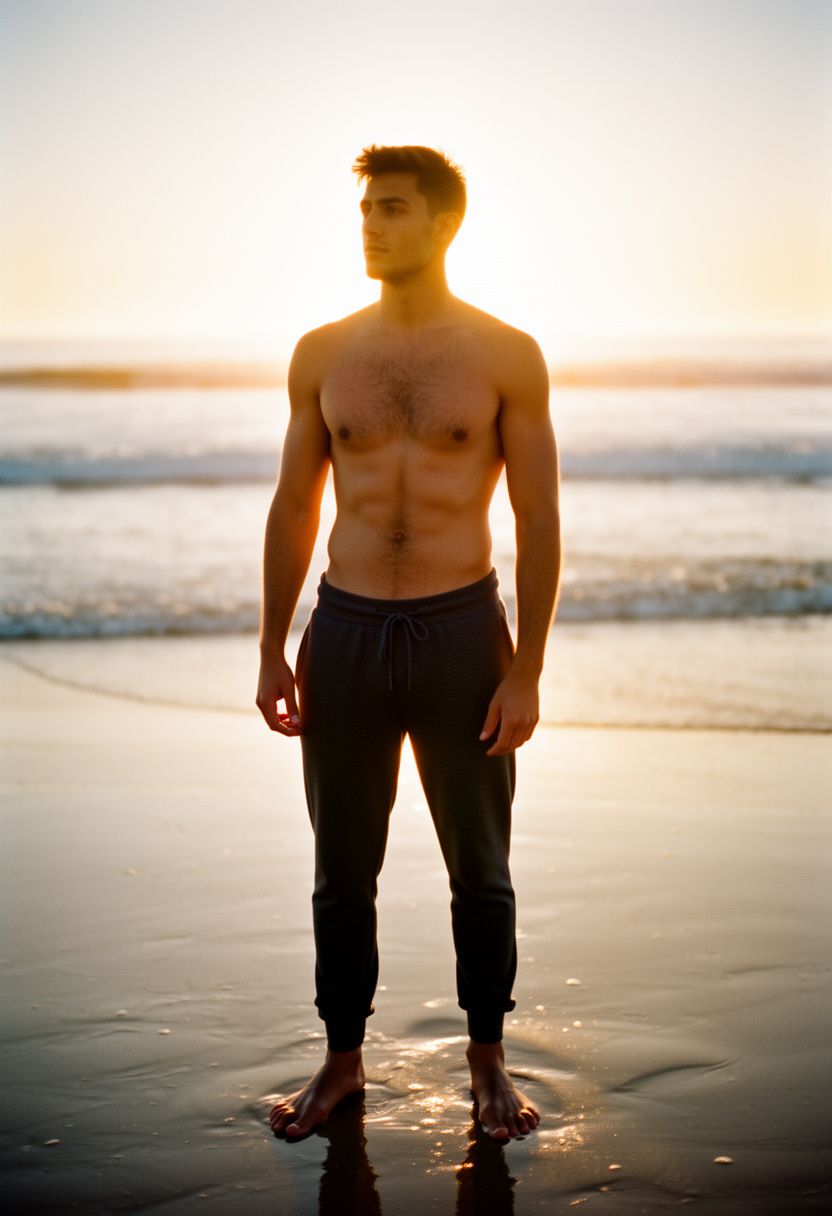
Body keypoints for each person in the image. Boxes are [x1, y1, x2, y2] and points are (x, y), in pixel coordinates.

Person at [257, 144, 561, 1142]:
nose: (371, 225)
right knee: (341, 868)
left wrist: (526, 668)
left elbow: (539, 519)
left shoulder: (505, 353)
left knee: (480, 867)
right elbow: (293, 509)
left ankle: (489, 1062)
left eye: (391, 209)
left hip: (460, 631)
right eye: (365, 210)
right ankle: (341, 1061)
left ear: (443, 223)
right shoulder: (320, 352)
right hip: (341, 632)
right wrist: (273, 643)